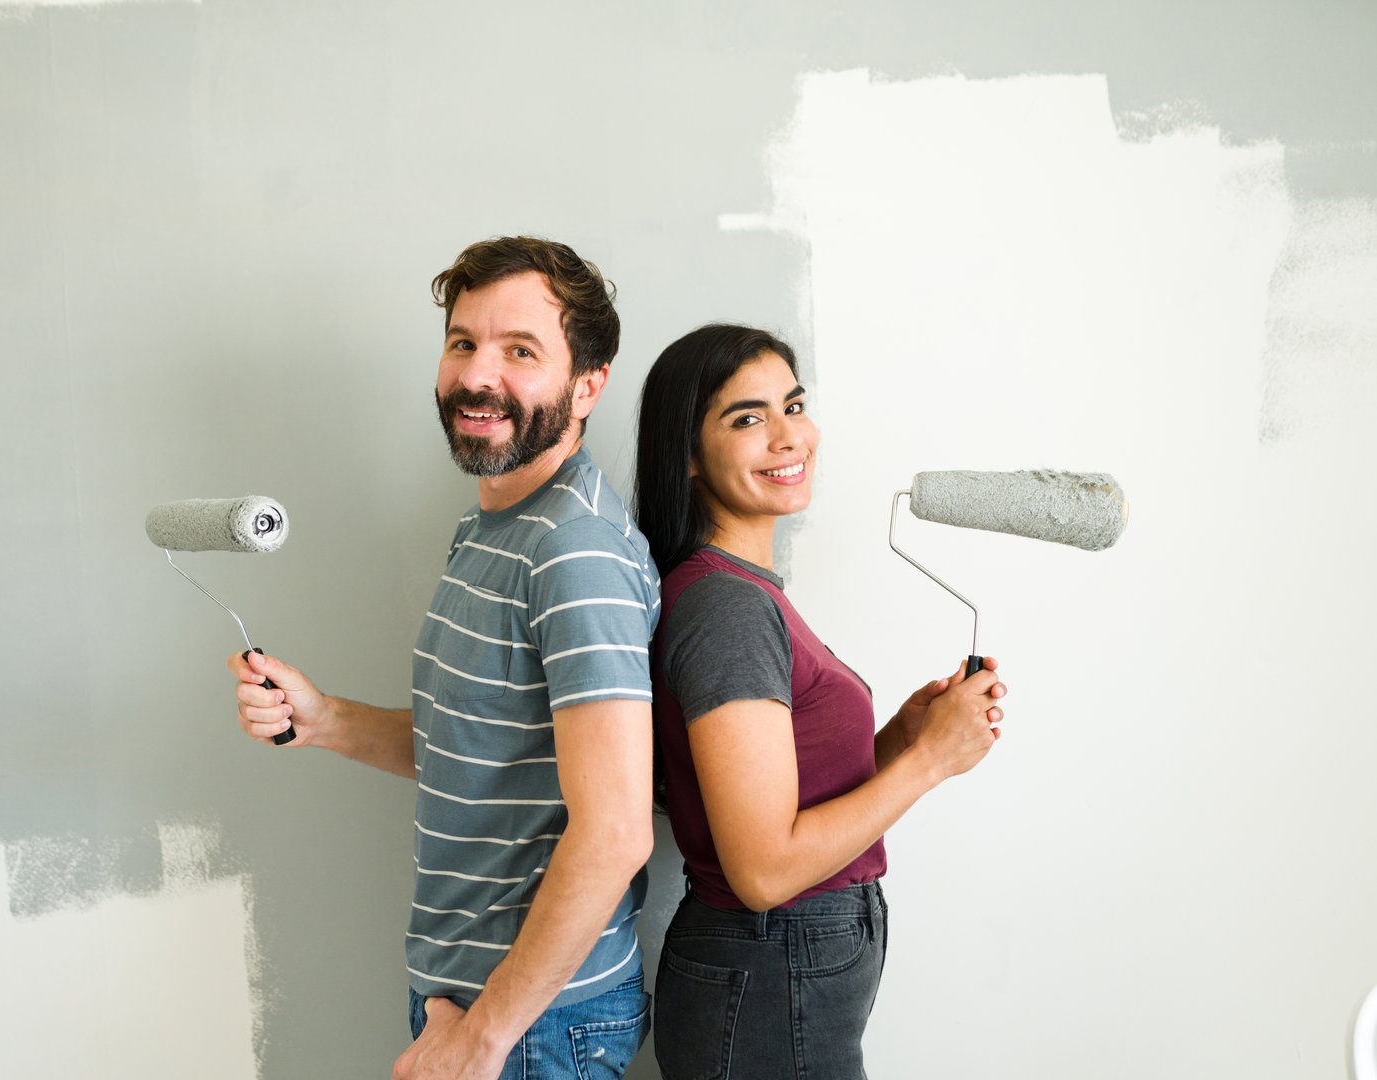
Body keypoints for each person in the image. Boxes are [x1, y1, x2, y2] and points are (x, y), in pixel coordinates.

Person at [229, 237, 659, 1080]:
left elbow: (614, 833)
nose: (476, 377)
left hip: (532, 1023)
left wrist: (486, 1037)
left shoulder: (575, 553)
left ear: (588, 385)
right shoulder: (495, 526)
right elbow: (478, 749)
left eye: (520, 351)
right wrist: (326, 722)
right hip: (482, 1005)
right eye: (463, 342)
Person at [632, 324, 1008, 1079]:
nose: (787, 436)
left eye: (793, 405)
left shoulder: (743, 595)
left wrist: (895, 745)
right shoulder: (728, 608)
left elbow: (776, 799)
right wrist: (930, 762)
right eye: (747, 418)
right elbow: (765, 870)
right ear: (689, 459)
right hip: (772, 957)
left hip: (780, 964)